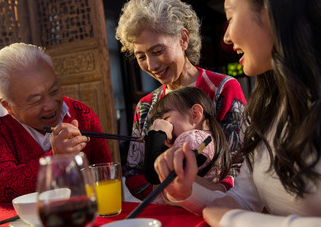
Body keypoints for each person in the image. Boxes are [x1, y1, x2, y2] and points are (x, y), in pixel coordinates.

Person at [154, 0, 321, 226]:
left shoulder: (224, 88)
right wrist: (185, 191)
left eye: (230, 17)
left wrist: (233, 220)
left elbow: (233, 213)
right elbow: (243, 198)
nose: (226, 37)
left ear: (270, 10)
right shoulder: (263, 109)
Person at [115, 0, 246, 200]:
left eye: (158, 51)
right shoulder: (146, 106)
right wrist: (172, 197)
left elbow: (238, 169)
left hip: (219, 208)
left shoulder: (223, 89)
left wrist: (180, 189)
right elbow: (134, 178)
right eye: (141, 56)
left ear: (183, 39)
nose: (151, 65)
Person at [0, 43, 112, 203]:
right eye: (36, 100)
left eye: (54, 91)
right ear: (7, 105)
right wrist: (56, 158)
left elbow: (106, 176)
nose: (51, 105)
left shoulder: (81, 114)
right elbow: (3, 187)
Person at [144, 87, 230, 189]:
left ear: (195, 114)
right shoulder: (209, 138)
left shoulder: (192, 139)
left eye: (166, 119)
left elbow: (155, 174)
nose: (163, 126)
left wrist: (158, 133)